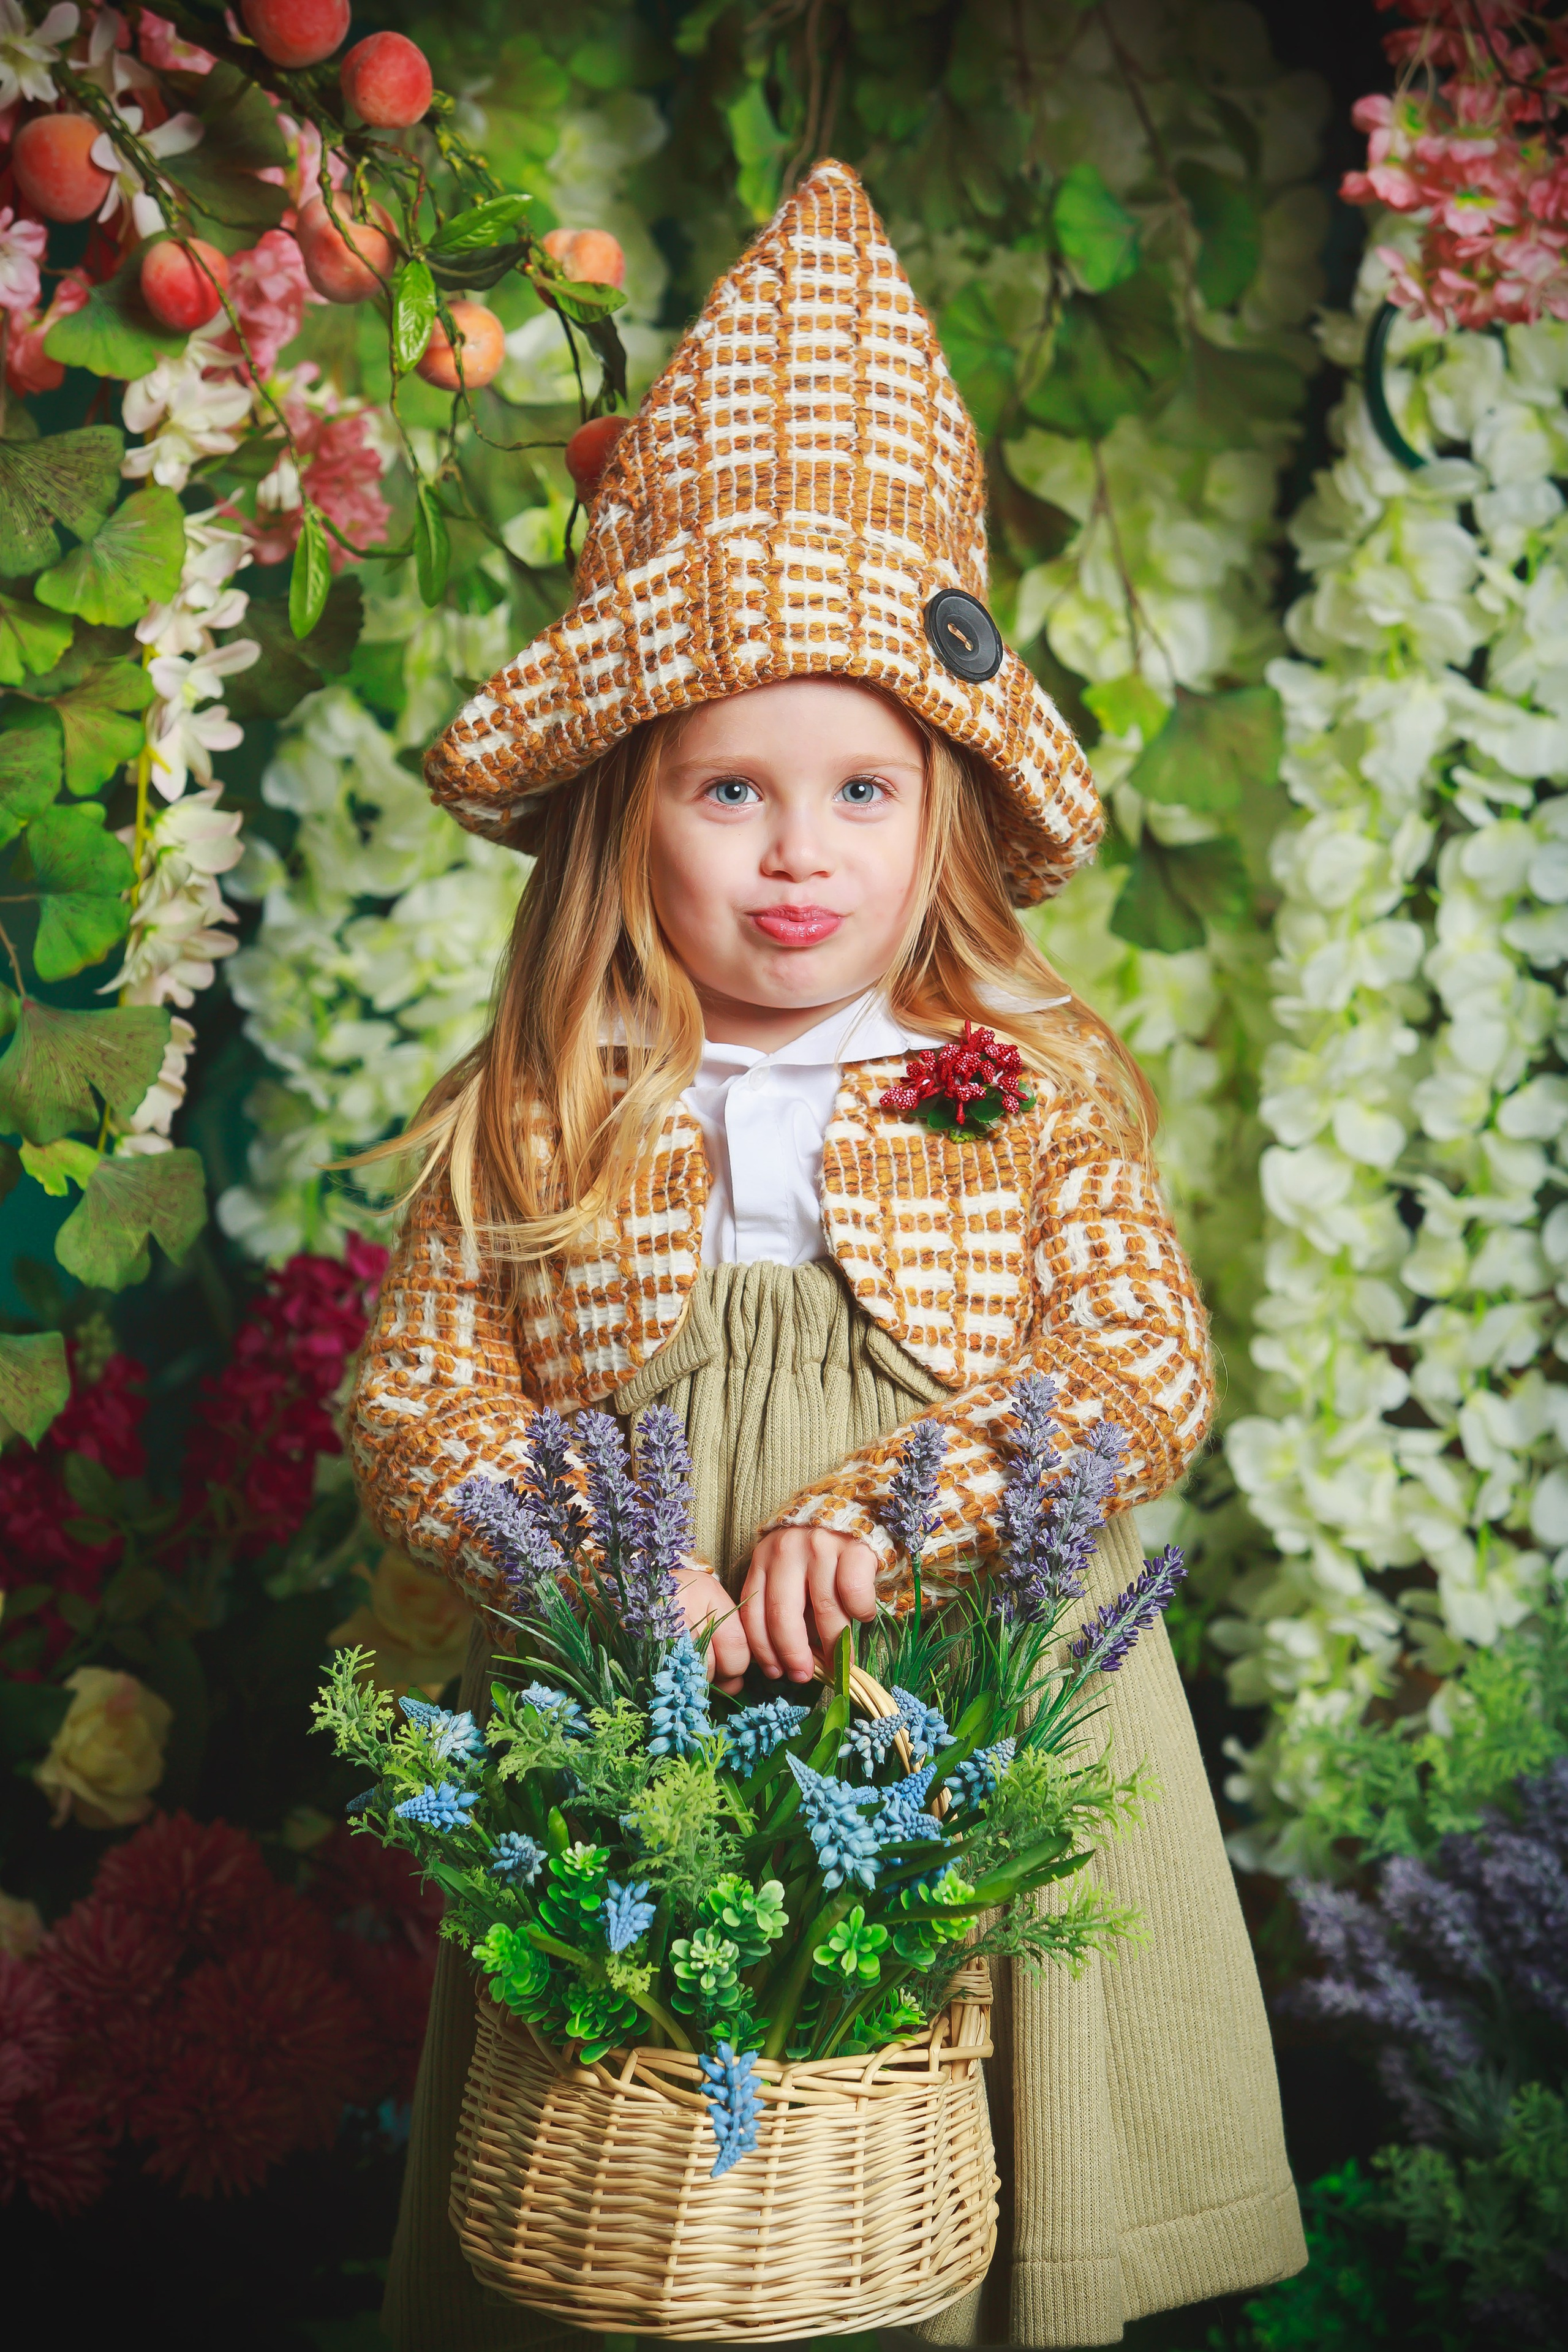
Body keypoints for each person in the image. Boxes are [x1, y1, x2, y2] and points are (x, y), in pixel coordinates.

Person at [349, 158, 1305, 2352]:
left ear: (943, 807)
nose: (801, 857)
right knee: (644, 2148)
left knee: (952, 2110)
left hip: (951, 1654)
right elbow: (420, 1396)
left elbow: (1140, 1359)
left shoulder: (1021, 1083)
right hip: (645, 1688)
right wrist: (597, 1565)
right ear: (629, 806)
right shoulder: (552, 1100)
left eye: (862, 791)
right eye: (731, 792)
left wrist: (902, 1508)